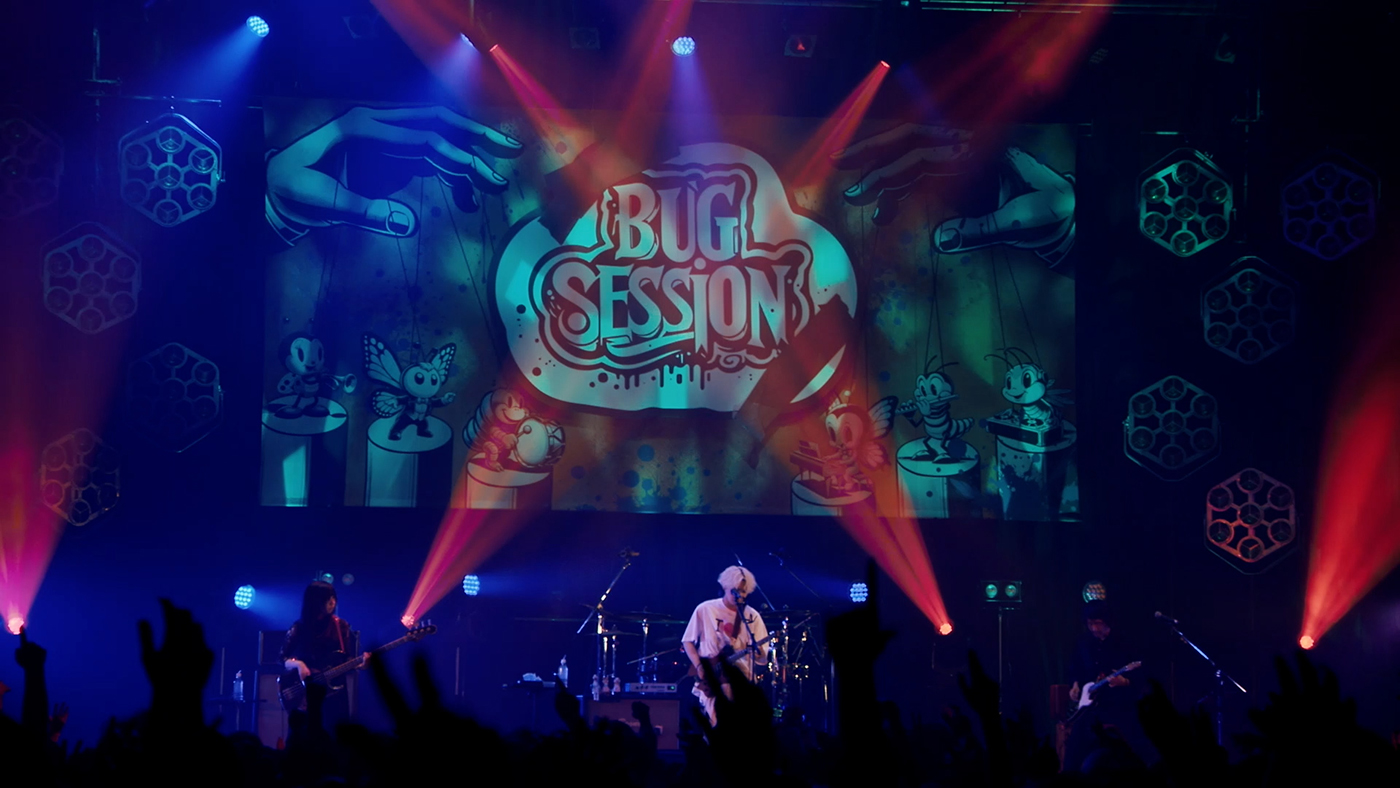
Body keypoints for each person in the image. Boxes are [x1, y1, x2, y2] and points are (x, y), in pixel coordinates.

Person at [682, 566, 769, 726]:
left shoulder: (752, 616)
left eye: (743, 591)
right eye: (734, 591)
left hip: (741, 680)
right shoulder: (706, 609)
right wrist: (699, 666)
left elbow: (761, 657)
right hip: (713, 678)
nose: (739, 595)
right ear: (725, 587)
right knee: (717, 726)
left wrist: (757, 652)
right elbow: (687, 641)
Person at [280, 581, 368, 728]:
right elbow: (282, 658)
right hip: (308, 694)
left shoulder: (341, 626)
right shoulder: (299, 627)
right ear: (314, 601)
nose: (332, 602)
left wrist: (361, 664)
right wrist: (299, 665)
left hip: (336, 692)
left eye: (333, 597)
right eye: (327, 598)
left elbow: (348, 659)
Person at [1063, 600, 1137, 773]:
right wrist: (1074, 685)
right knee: (1076, 740)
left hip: (1116, 704)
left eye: (1098, 623)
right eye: (1090, 624)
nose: (1094, 628)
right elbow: (1074, 668)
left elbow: (1139, 675)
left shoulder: (1122, 642)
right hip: (1089, 705)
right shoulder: (1083, 642)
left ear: (1107, 621)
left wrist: (1124, 682)